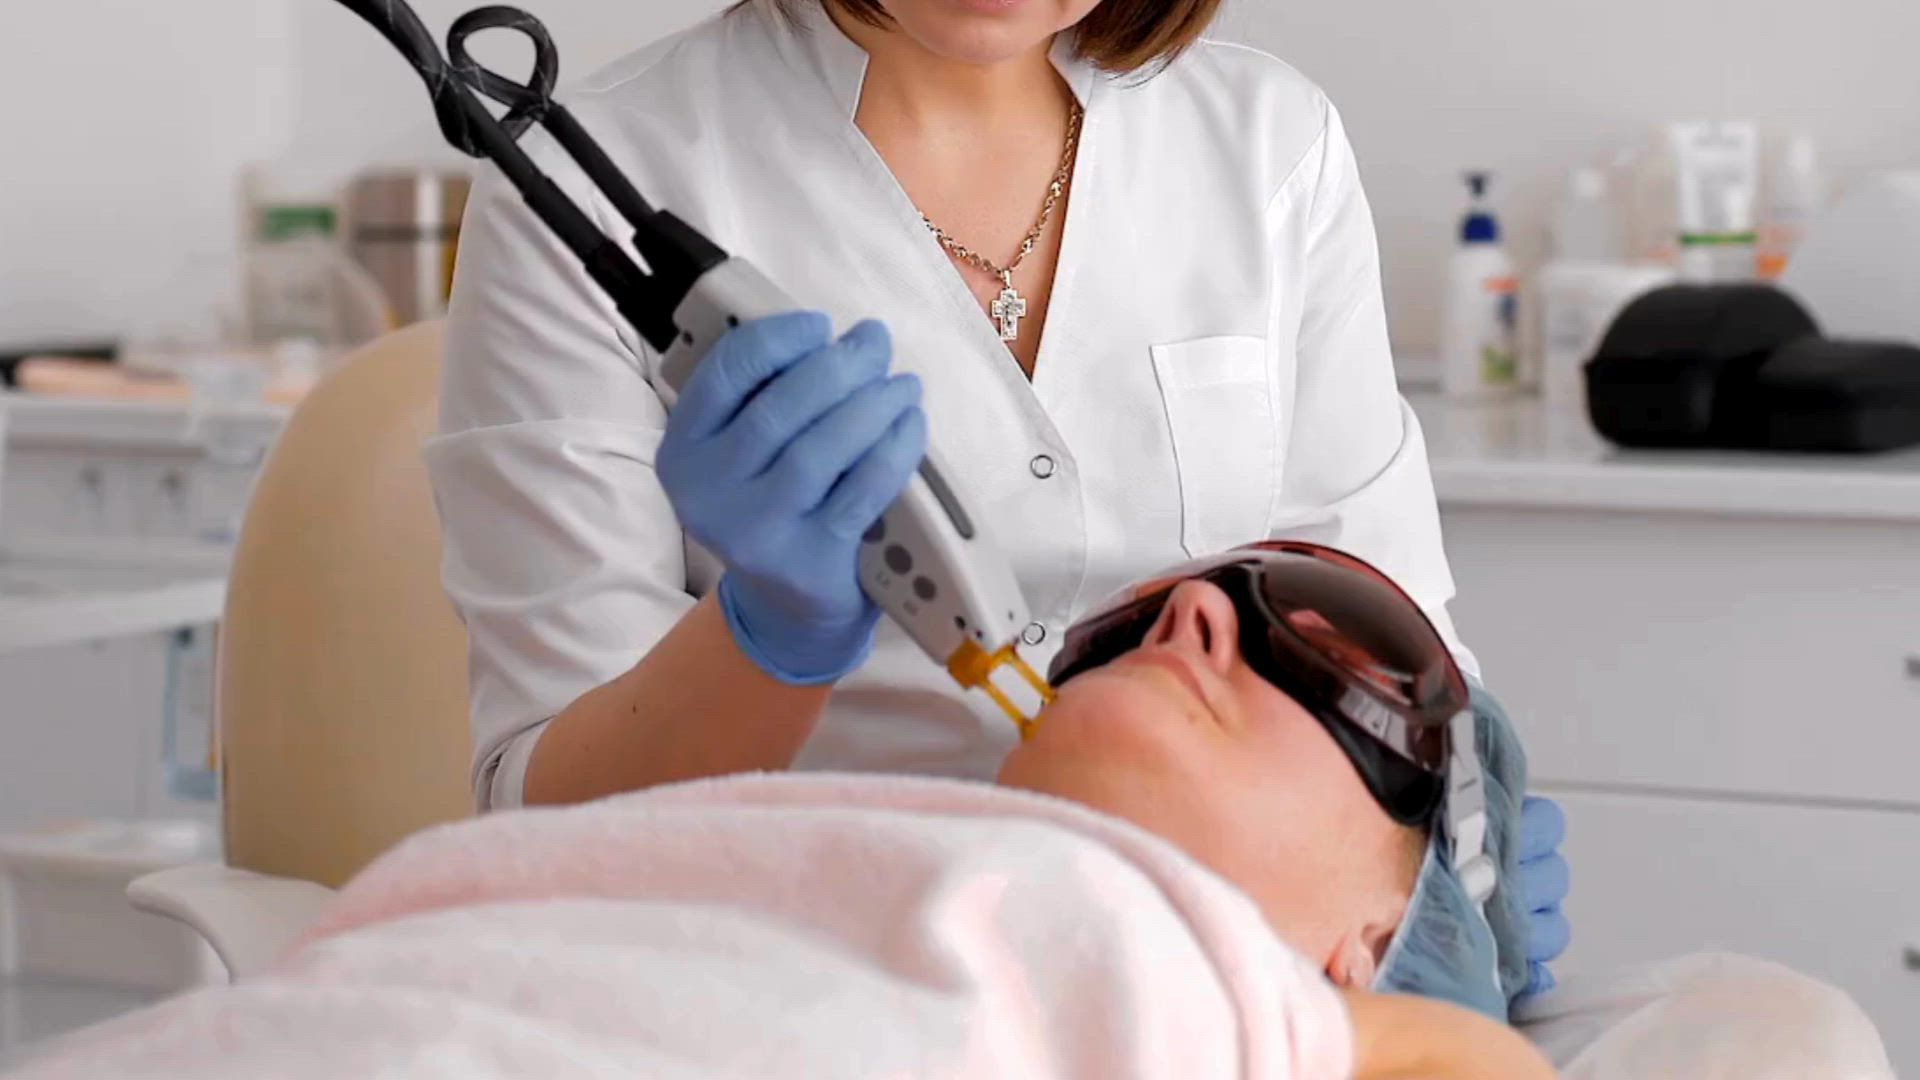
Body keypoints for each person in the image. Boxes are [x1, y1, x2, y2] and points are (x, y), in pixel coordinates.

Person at [424, 0, 1570, 990]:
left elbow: (1389, 634)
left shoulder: (1269, 143)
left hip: (1228, 969)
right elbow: (545, 840)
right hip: (804, 969)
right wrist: (764, 638)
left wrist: (1445, 859)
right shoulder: (591, 182)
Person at [9, 547, 1553, 1080]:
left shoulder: (1212, 989)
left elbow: (1477, 1062)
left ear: (1368, 941)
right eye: (1134, 626)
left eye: (1335, 664)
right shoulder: (766, 833)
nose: (1196, 617)